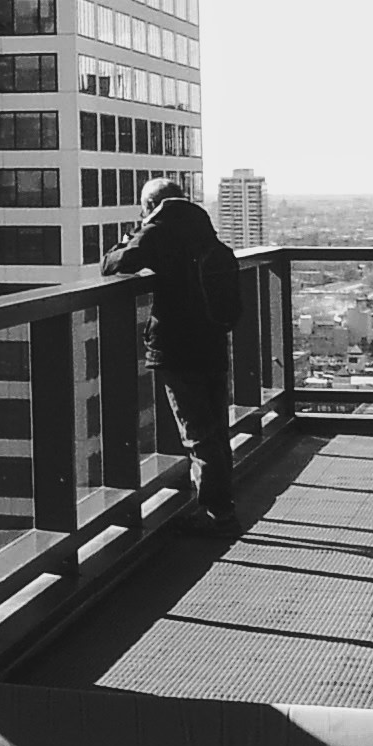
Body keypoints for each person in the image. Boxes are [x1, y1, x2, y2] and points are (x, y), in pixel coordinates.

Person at [101, 176, 239, 528]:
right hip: (212, 341)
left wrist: (133, 233)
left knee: (196, 432)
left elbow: (112, 263)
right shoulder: (202, 226)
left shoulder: (159, 230)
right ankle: (224, 503)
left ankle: (216, 513)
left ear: (150, 206)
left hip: (178, 346)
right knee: (215, 426)